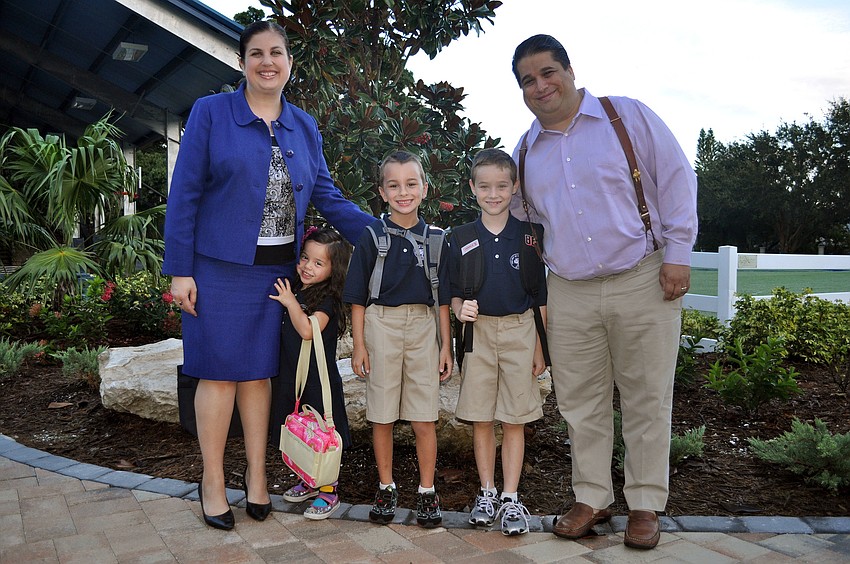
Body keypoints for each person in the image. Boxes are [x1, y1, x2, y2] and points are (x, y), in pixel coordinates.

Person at [163, 21, 373, 531]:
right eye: (255, 53)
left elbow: (325, 194)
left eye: (276, 52)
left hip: (277, 277)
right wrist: (180, 271)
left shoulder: (303, 125)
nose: (266, 61)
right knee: (216, 374)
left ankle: (257, 479)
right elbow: (185, 194)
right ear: (241, 63)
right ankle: (213, 481)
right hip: (216, 271)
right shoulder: (212, 113)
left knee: (259, 376)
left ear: (288, 62)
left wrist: (382, 233)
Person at [509, 34, 698, 549]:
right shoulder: (525, 150)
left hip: (643, 275)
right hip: (568, 289)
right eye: (528, 80)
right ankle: (592, 495)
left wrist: (678, 253)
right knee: (579, 402)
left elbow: (677, 179)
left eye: (548, 72)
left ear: (569, 71)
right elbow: (526, 220)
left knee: (647, 398)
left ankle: (644, 503)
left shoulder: (626, 117)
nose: (540, 85)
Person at [343, 150, 453, 528]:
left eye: (411, 184)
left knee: (425, 416)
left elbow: (441, 298)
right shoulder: (372, 235)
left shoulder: (436, 239)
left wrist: (446, 346)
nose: (403, 192)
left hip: (423, 327)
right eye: (394, 185)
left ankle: (426, 490)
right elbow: (357, 296)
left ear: (424, 188)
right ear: (382, 192)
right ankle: (386, 485)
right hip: (381, 326)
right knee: (383, 413)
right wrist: (359, 344)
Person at [448, 148, 548, 536]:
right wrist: (460, 310)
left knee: (515, 417)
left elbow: (540, 295)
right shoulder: (461, 237)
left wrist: (541, 347)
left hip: (521, 331)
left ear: (514, 187)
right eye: (485, 186)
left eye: (502, 186)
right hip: (479, 334)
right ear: (473, 188)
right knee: (482, 416)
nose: (494, 194)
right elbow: (453, 292)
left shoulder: (529, 236)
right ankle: (486, 491)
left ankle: (510, 497)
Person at [268, 227, 352, 520]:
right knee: (303, 433)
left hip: (319, 380)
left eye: (318, 263)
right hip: (294, 375)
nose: (307, 266)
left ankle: (329, 490)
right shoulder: (298, 286)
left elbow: (307, 330)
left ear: (333, 269)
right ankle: (309, 479)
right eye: (305, 258)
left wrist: (291, 303)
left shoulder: (328, 299)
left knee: (323, 434)